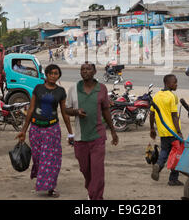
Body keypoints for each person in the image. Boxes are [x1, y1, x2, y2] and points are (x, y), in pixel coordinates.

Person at [16, 64, 73, 198]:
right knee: (38, 158)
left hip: (52, 130)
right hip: (35, 129)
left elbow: (64, 113)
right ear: (46, 75)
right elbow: (31, 109)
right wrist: (24, 130)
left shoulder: (61, 91)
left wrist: (71, 133)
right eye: (51, 73)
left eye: (56, 74)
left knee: (51, 159)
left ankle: (50, 188)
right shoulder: (38, 88)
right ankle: (43, 181)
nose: (53, 76)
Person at [65, 62, 119, 200]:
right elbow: (66, 109)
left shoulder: (101, 88)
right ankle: (92, 190)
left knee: (97, 170)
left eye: (88, 69)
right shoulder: (74, 88)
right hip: (80, 138)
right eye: (82, 69)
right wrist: (76, 111)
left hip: (98, 136)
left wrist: (113, 131)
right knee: (85, 169)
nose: (85, 71)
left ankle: (96, 197)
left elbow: (106, 110)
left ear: (94, 72)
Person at [149, 74, 183, 186]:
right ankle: (173, 179)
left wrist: (152, 129)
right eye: (175, 82)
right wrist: (179, 132)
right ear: (168, 83)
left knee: (164, 151)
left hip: (163, 132)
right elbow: (174, 116)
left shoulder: (157, 96)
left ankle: (158, 165)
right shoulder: (171, 96)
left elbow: (152, 114)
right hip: (173, 132)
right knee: (177, 154)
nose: (176, 84)